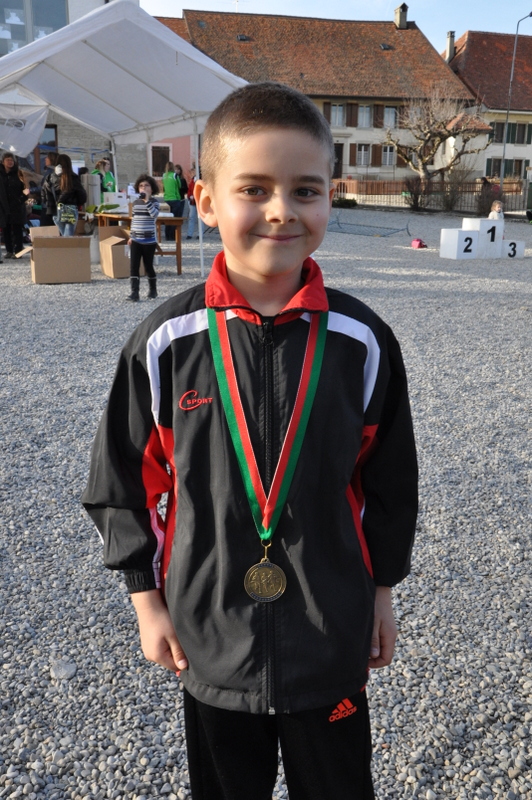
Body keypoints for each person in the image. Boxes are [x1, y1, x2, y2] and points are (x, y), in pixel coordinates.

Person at [82, 82, 418, 800]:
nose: (281, 210)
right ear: (205, 201)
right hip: (210, 639)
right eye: (254, 189)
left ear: (330, 198)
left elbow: (390, 483)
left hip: (330, 636)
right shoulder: (166, 342)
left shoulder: (361, 341)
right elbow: (122, 481)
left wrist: (381, 593)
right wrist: (147, 601)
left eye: (305, 190)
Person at [125, 173, 160, 301]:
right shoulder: (135, 203)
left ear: (152, 188)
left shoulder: (154, 202)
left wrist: (147, 201)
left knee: (148, 266)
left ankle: (153, 289)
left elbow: (154, 215)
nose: (143, 188)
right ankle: (134, 292)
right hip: (136, 239)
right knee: (133, 266)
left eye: (146, 185)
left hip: (149, 240)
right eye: (141, 186)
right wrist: (131, 236)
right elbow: (134, 220)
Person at [0, 152, 30, 257]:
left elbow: (27, 189)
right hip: (4, 207)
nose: (10, 162)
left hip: (17, 206)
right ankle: (9, 251)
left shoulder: (19, 173)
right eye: (8, 160)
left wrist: (21, 199)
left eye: (12, 160)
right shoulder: (1, 175)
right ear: (3, 162)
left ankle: (18, 251)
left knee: (18, 230)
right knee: (6, 229)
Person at [51, 154, 87, 236]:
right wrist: (78, 202)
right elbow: (81, 193)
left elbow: (46, 192)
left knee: (65, 236)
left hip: (57, 209)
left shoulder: (52, 177)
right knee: (68, 237)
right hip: (70, 209)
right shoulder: (73, 177)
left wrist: (55, 203)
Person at [161, 161, 184, 241]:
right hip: (175, 199)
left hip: (167, 199)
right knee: (174, 218)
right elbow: (179, 185)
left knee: (167, 218)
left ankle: (167, 235)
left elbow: (163, 187)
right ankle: (172, 236)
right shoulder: (175, 175)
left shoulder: (164, 176)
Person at [41, 152, 59, 226]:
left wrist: (30, 190)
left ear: (52, 159)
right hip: (55, 204)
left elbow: (44, 187)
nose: (45, 159)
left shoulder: (50, 172)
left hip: (48, 204)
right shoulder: (57, 171)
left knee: (45, 228)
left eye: (47, 158)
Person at [185, 166, 204, 239]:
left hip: (200, 201)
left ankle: (200, 234)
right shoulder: (193, 179)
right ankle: (190, 234)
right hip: (192, 201)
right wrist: (189, 196)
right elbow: (190, 189)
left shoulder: (203, 180)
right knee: (191, 217)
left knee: (200, 218)